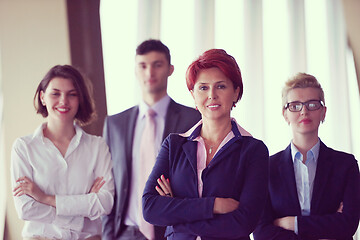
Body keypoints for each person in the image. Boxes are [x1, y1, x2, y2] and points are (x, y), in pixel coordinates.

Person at [142, 49, 269, 240]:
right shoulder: (174, 145)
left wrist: (176, 216)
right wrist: (214, 205)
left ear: (236, 92)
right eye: (203, 88)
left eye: (221, 86)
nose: (212, 95)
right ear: (193, 94)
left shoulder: (254, 151)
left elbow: (243, 224)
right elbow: (150, 208)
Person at [101, 39, 201, 240]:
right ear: (135, 70)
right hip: (126, 233)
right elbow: (109, 184)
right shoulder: (115, 124)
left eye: (157, 65)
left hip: (173, 231)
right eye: (143, 65)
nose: (149, 72)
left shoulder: (193, 119)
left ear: (170, 69)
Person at [11, 65, 115, 240]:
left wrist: (45, 198)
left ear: (80, 99)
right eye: (55, 93)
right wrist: (83, 207)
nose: (64, 101)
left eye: (72, 94)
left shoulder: (97, 146)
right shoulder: (24, 147)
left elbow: (105, 203)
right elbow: (25, 209)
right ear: (43, 97)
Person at [253, 73, 360, 240]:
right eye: (295, 105)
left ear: (323, 112)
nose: (304, 111)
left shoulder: (346, 165)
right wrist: (327, 226)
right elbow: (261, 231)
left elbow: (348, 224)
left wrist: (292, 223)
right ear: (285, 114)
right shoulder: (267, 167)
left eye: (312, 104)